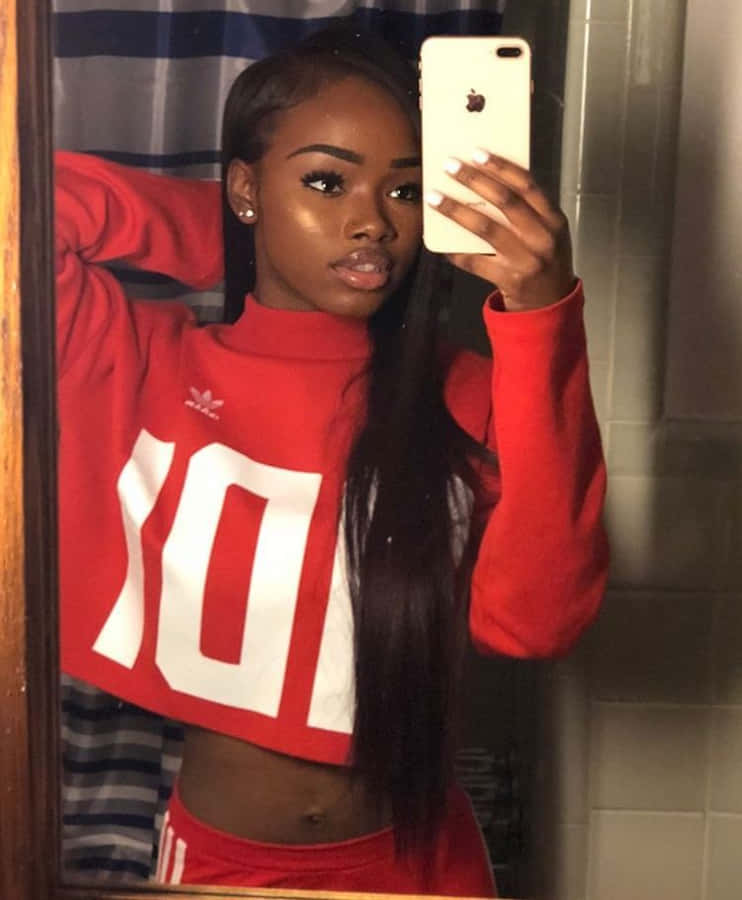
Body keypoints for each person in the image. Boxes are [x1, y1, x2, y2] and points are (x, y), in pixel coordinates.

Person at [55, 25, 608, 897]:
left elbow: (536, 622)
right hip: (225, 871)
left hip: (426, 866)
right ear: (246, 186)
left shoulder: (465, 391)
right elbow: (24, 208)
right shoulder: (145, 361)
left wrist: (543, 315)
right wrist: (236, 235)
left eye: (405, 192)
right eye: (325, 181)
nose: (372, 222)